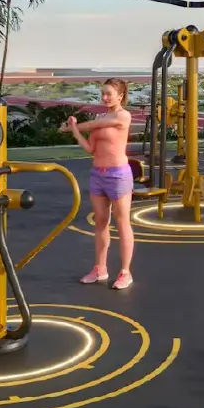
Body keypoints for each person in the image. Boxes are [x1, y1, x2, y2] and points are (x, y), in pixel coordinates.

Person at [61, 79, 134, 289]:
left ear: (120, 96)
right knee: (101, 221)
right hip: (97, 174)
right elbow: (91, 148)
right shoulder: (100, 117)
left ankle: (125, 272)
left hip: (118, 175)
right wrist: (74, 131)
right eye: (102, 93)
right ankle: (100, 269)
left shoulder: (123, 116)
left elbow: (94, 126)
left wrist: (70, 127)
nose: (104, 98)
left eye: (109, 94)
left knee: (122, 222)